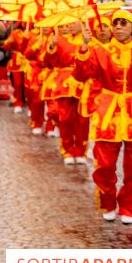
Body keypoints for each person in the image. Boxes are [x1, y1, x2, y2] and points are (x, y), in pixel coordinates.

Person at [74, 9, 132, 224]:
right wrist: (84, 47)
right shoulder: (101, 51)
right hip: (107, 114)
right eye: (116, 23)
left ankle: (130, 207)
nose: (118, 27)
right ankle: (107, 202)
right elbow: (81, 74)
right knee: (104, 165)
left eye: (123, 23)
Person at [44, 21, 87, 165]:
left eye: (74, 23)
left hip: (83, 84)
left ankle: (81, 150)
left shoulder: (88, 40)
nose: (70, 26)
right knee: (65, 119)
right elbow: (49, 62)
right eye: (68, 24)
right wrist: (51, 46)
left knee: (82, 120)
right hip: (64, 84)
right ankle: (68, 150)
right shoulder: (59, 40)